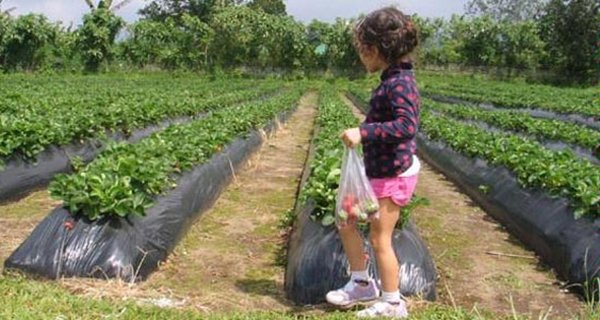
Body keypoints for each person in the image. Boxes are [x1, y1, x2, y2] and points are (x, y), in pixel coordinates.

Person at [326, 6, 421, 319]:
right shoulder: (391, 79)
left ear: (376, 49)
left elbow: (407, 126)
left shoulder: (401, 84)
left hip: (393, 174)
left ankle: (393, 303)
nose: (361, 57)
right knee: (346, 220)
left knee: (380, 238)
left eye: (362, 51)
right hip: (377, 171)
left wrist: (364, 131)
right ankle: (361, 283)